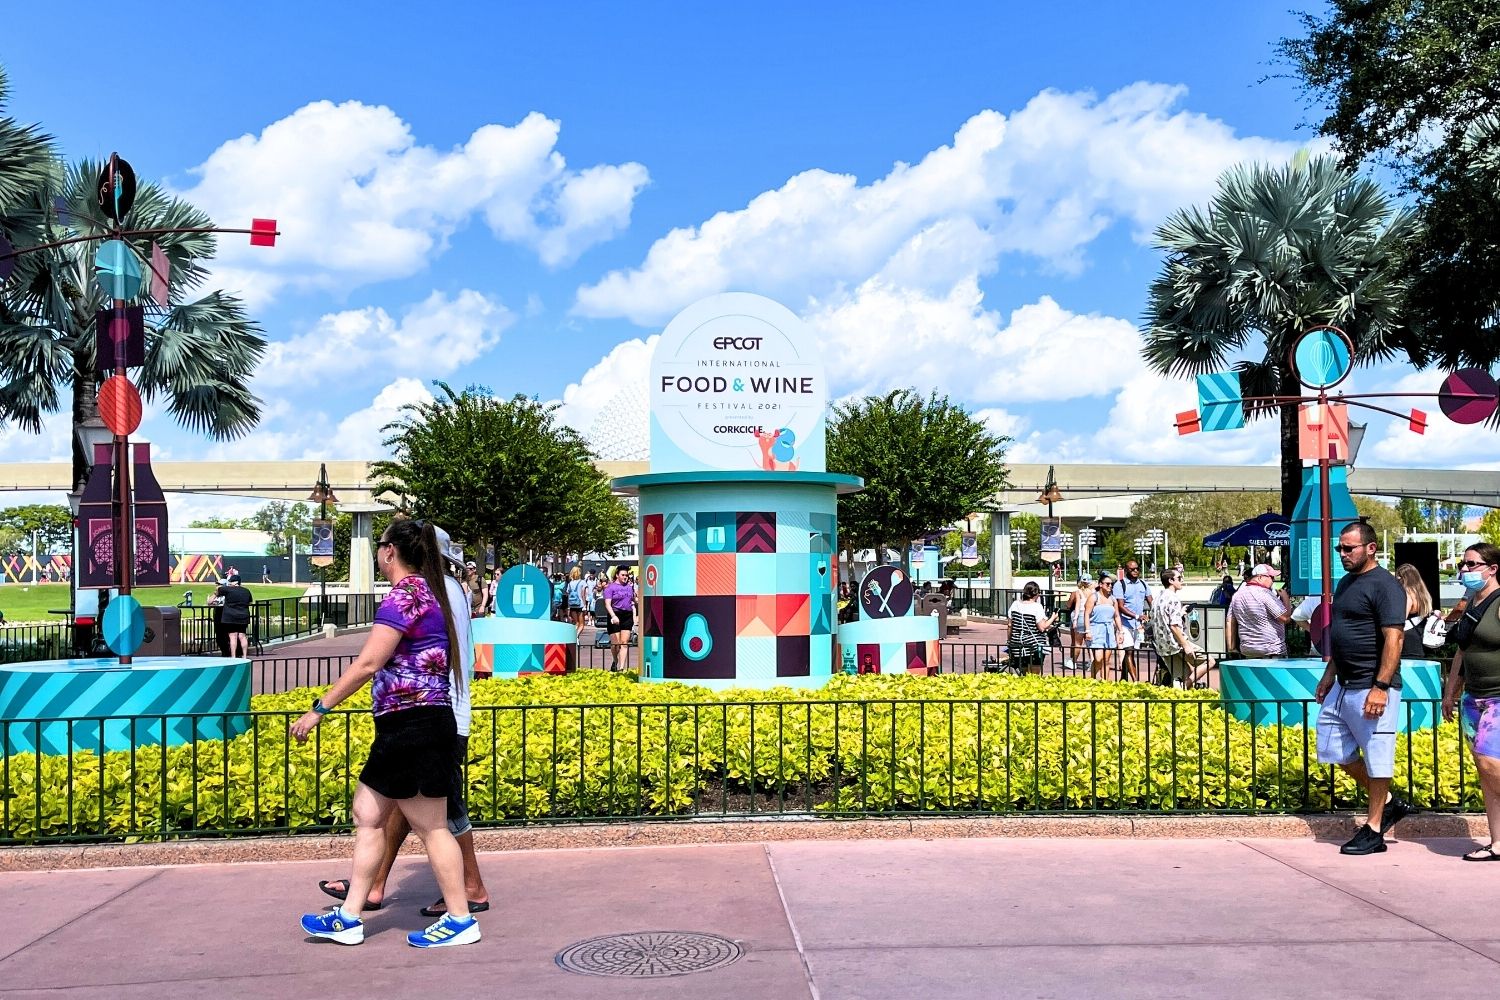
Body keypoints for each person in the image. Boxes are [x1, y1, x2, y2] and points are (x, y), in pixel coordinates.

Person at [290, 518, 481, 948]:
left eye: (380, 545)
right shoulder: (431, 591)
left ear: (390, 551)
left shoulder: (404, 595)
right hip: (411, 723)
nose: (378, 552)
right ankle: (350, 917)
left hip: (413, 723)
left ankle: (460, 919)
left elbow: (368, 663)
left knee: (432, 827)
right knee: (369, 813)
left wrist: (319, 708)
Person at [1315, 521, 1413, 856]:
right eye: (1339, 548)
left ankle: (1373, 830)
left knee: (1377, 757)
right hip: (1343, 685)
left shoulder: (1386, 586)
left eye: (1348, 548)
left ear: (1370, 548)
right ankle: (1388, 801)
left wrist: (1381, 686)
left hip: (1372, 686)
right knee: (1334, 750)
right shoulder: (1345, 583)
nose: (1342, 554)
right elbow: (1343, 633)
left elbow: (1394, 638)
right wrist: (1330, 675)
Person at [1441, 543, 1500, 860]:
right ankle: (1497, 842)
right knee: (1484, 769)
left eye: (1472, 565)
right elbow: (1461, 652)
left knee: (1492, 763)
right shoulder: (1470, 606)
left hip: (1499, 697)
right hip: (1472, 698)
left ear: (1492, 569)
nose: (1464, 571)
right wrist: (1450, 691)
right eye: (1463, 565)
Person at [1152, 568, 1209, 688]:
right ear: (1171, 580)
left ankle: (1180, 692)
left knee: (1180, 675)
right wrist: (1185, 645)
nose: (1181, 580)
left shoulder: (1157, 598)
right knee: (1209, 661)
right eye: (1179, 578)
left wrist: (1181, 613)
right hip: (1175, 642)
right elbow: (1174, 626)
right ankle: (1185, 686)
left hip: (1162, 644)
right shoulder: (1173, 599)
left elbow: (1163, 619)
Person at [1226, 564, 1291, 657]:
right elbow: (1285, 618)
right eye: (1271, 577)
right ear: (1260, 577)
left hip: (1248, 650)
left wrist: (1231, 648)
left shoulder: (1237, 595)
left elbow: (1230, 621)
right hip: (1271, 651)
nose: (1273, 581)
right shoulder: (1265, 594)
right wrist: (1285, 598)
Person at [1114, 561, 1152, 682]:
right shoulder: (1120, 585)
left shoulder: (1143, 584)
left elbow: (1151, 602)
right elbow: (1120, 606)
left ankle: (1123, 678)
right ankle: (1136, 681)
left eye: (1137, 569)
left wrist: (1155, 613)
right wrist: (1137, 616)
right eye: (1132, 569)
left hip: (1137, 626)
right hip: (1125, 623)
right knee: (1129, 650)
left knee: (1131, 652)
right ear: (1126, 570)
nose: (1135, 571)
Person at [1006, 581, 1055, 674]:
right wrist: (1053, 617)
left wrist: (1009, 641)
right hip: (1033, 645)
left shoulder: (1015, 604)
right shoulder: (1037, 607)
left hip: (1017, 644)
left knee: (1023, 673)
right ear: (1036, 594)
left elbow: (1009, 626)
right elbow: (1042, 627)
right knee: (1034, 673)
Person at [1395, 563, 1441, 658]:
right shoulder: (1424, 594)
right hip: (1421, 633)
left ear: (1402, 577)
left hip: (1408, 638)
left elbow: (1401, 618)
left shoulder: (1407, 594)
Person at [1085, 573, 1124, 681]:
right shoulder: (1094, 597)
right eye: (1107, 584)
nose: (1110, 586)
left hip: (1109, 630)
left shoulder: (1113, 599)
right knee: (1098, 658)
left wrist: (1120, 632)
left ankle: (1105, 682)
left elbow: (1116, 616)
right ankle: (1092, 678)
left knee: (1107, 660)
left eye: (1111, 584)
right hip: (1096, 629)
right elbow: (1087, 614)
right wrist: (1087, 630)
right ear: (1100, 584)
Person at [602, 566, 637, 671]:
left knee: (624, 642)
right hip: (615, 614)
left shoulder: (630, 587)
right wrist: (613, 616)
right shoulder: (610, 588)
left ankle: (621, 668)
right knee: (615, 644)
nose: (625, 577)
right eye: (623, 575)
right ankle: (615, 660)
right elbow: (607, 604)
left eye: (626, 575)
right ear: (617, 575)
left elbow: (634, 600)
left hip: (627, 615)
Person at [212, 574, 253, 658]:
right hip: (243, 616)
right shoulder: (246, 591)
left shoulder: (228, 590)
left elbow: (218, 589)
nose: (229, 583)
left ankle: (233, 657)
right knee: (242, 636)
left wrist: (217, 591)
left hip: (230, 616)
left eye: (231, 581)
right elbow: (250, 602)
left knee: (232, 636)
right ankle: (244, 656)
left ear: (236, 582)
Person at [1066, 578, 1094, 670]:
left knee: (1077, 643)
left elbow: (1074, 606)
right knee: (1090, 642)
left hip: (1081, 616)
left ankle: (1074, 662)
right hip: (1091, 617)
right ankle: (1092, 661)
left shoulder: (1078, 592)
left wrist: (1075, 619)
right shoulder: (1094, 593)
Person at [565, 566, 587, 633]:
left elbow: (567, 593)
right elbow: (583, 594)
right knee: (582, 624)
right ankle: (576, 637)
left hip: (572, 605)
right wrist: (585, 605)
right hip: (580, 604)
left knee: (576, 623)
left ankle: (573, 636)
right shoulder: (582, 582)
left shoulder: (570, 583)